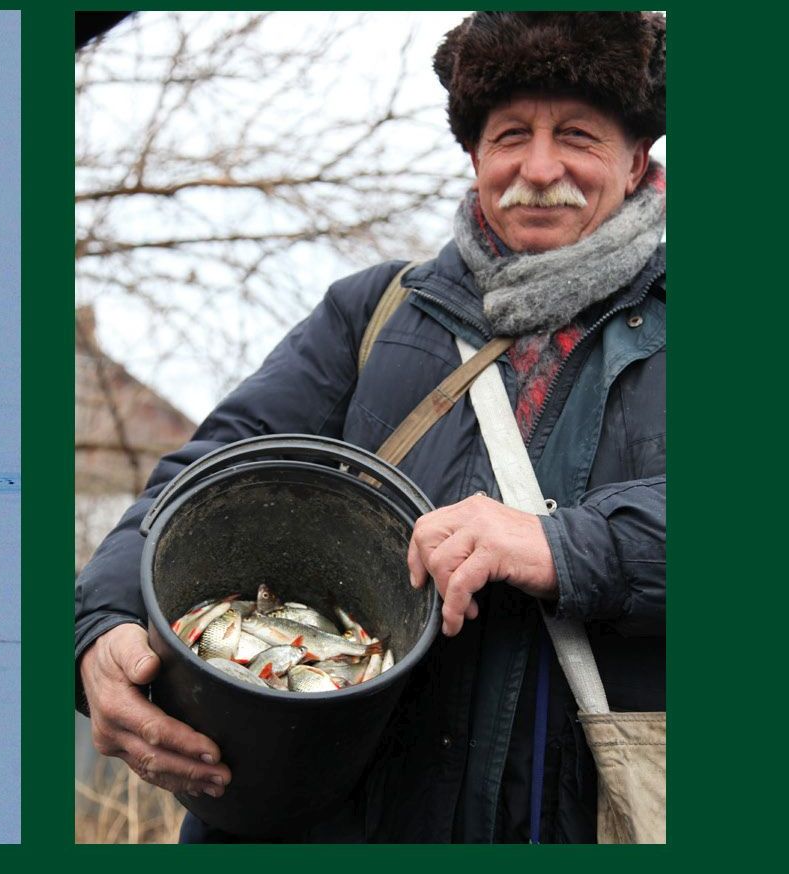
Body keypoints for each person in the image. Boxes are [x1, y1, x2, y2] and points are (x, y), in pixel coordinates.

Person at [75, 11, 666, 843]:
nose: (538, 168)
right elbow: (207, 475)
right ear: (473, 157)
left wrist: (565, 547)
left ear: (637, 157)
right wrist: (97, 627)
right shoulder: (374, 311)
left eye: (575, 134)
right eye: (508, 137)